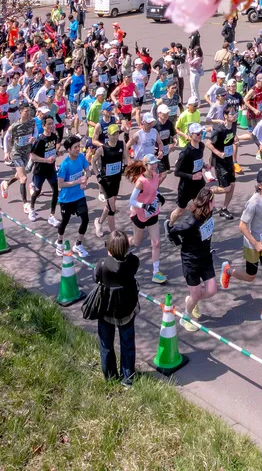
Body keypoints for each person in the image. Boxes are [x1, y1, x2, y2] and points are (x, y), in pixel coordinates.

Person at [220, 169, 262, 324]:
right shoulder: (253, 203)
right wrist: (255, 243)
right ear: (260, 185)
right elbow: (242, 226)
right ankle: (228, 270)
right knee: (251, 276)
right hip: (253, 244)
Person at [167, 187, 219, 332]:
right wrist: (171, 227)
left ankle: (191, 300)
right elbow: (172, 231)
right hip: (191, 261)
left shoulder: (209, 212)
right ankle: (185, 317)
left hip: (206, 257)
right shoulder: (191, 223)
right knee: (195, 293)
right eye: (213, 200)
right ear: (207, 203)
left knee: (212, 290)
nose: (215, 203)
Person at [93, 230, 139, 386]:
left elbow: (95, 277)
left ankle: (110, 377)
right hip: (127, 310)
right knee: (128, 343)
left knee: (106, 344)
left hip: (106, 310)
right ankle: (128, 378)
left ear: (109, 248)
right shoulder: (133, 262)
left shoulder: (103, 264)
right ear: (126, 247)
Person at [125, 154, 166, 284]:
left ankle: (156, 272)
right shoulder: (140, 182)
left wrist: (159, 195)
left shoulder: (155, 175)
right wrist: (144, 206)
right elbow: (131, 200)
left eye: (155, 163)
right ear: (145, 166)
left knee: (157, 243)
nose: (154, 166)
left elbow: (153, 189)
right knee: (136, 242)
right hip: (140, 214)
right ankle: (118, 244)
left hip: (152, 213)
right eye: (152, 164)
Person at [55, 135, 90, 257]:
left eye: (79, 146)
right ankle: (59, 242)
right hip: (66, 198)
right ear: (69, 150)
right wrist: (77, 182)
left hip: (79, 196)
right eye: (75, 147)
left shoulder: (81, 157)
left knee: (85, 219)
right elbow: (61, 184)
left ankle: (78, 244)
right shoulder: (65, 165)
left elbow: (87, 169)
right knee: (65, 221)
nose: (78, 149)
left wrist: (86, 177)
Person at [1, 105, 35, 212]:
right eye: (26, 111)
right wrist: (6, 152)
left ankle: (6, 184)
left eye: (29, 111)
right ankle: (25, 204)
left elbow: (36, 132)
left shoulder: (32, 122)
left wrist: (34, 138)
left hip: (26, 152)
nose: (28, 113)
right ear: (20, 112)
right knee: (23, 178)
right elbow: (6, 137)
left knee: (19, 175)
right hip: (16, 153)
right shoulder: (15, 126)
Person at [94, 123, 125, 239]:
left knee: (109, 205)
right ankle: (114, 235)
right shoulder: (103, 149)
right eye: (113, 134)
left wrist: (126, 166)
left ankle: (99, 222)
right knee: (112, 208)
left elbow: (125, 158)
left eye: (117, 133)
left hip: (116, 179)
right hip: (105, 181)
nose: (116, 136)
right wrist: (97, 175)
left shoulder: (122, 145)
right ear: (108, 135)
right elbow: (93, 162)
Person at [28, 115, 60, 225]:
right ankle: (31, 208)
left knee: (56, 191)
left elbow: (53, 151)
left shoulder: (54, 137)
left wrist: (56, 155)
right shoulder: (40, 140)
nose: (51, 126)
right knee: (37, 191)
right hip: (40, 171)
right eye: (49, 124)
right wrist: (46, 160)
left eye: (52, 123)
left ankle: (52, 216)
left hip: (51, 169)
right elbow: (32, 156)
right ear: (43, 126)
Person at [174, 121, 208, 209]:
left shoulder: (201, 146)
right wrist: (192, 176)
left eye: (201, 132)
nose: (200, 135)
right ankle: (170, 223)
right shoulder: (185, 152)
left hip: (199, 182)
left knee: (201, 206)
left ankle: (196, 221)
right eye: (197, 134)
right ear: (191, 135)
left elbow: (196, 160)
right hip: (186, 186)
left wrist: (204, 165)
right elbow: (177, 172)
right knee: (180, 210)